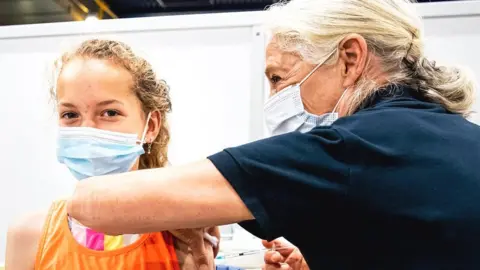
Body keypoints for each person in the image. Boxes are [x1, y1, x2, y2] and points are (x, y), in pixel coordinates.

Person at [66, 0, 480, 269]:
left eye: (278, 78)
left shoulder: (343, 151)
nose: (273, 99)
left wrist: (184, 212)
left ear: (350, 59)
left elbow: (93, 203)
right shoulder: (465, 140)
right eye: (69, 114)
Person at [5, 39, 220, 270]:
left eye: (109, 112)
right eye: (70, 114)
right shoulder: (30, 236)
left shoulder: (184, 235)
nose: (87, 129)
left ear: (151, 126)